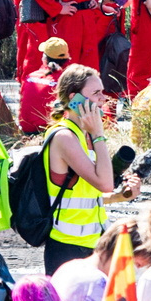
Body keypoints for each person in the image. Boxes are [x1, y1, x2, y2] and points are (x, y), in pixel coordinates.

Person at [42, 65, 137, 274]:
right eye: (96, 93)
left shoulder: (84, 135)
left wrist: (119, 197)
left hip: (94, 241)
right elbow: (104, 183)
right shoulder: (64, 137)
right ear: (74, 98)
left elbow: (89, 193)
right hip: (67, 246)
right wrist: (98, 133)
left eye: (102, 92)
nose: (103, 98)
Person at [21, 36, 72, 135]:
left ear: (44, 58)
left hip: (26, 131)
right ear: (67, 58)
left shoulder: (30, 76)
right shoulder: (67, 81)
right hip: (52, 132)